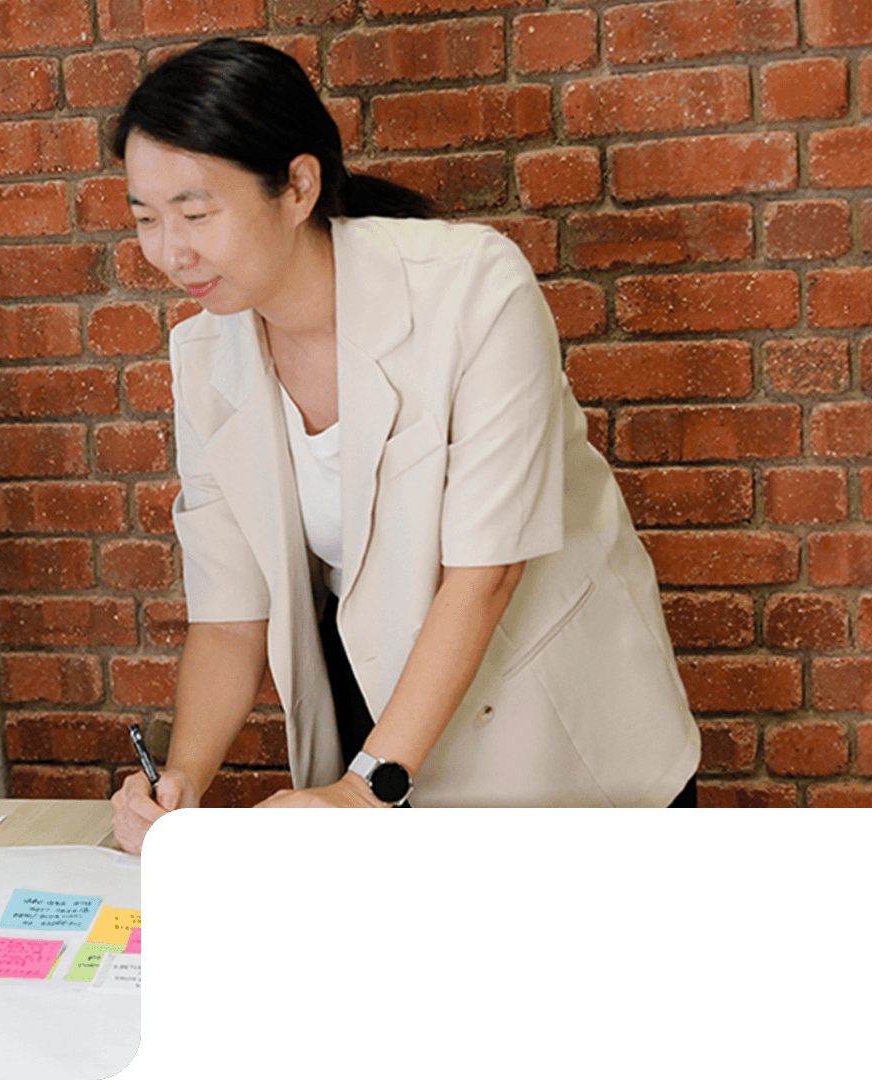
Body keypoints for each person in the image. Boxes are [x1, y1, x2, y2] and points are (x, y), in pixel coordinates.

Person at [109, 39, 700, 853]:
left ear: (298, 186)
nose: (169, 252)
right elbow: (229, 617)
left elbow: (485, 574)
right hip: (382, 726)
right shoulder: (205, 355)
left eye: (196, 213)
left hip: (552, 742)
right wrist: (180, 781)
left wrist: (367, 786)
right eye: (146, 218)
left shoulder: (474, 288)